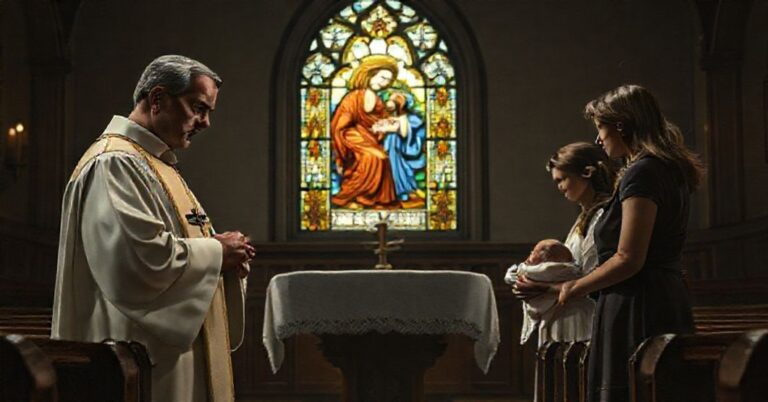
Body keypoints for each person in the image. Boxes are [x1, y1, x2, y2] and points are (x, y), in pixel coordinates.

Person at [52, 55, 255, 402]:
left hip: (165, 352)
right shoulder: (114, 164)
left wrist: (224, 253)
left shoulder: (154, 163)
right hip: (139, 354)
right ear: (158, 99)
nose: (205, 122)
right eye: (198, 107)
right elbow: (137, 261)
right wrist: (218, 252)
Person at [535, 85, 704, 402]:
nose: (599, 139)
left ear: (622, 125)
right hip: (663, 297)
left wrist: (576, 287)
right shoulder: (667, 168)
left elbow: (629, 257)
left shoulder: (643, 172)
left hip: (637, 305)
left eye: (601, 127)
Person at [514, 142, 617, 346]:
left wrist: (542, 287)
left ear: (587, 173)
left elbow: (591, 276)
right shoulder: (583, 218)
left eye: (563, 179)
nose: (560, 187)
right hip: (569, 312)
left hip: (586, 317)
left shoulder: (603, 216)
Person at [331, 55, 401, 208]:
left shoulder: (378, 99)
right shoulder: (353, 97)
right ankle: (349, 195)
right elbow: (341, 123)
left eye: (388, 81)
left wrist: (386, 124)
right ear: (371, 73)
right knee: (376, 157)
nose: (384, 83)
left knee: (382, 158)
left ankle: (375, 198)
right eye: (382, 77)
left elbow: (380, 119)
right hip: (351, 135)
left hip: (369, 137)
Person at [506, 239, 587, 345]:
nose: (530, 254)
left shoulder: (550, 269)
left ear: (545, 260)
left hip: (567, 308)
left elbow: (554, 270)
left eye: (533, 252)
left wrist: (524, 273)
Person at [380, 90, 426, 206]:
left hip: (396, 146)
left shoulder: (403, 118)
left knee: (398, 167)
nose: (388, 102)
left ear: (398, 103)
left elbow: (404, 133)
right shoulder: (387, 116)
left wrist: (390, 128)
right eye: (388, 99)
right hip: (387, 144)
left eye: (391, 100)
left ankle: (401, 191)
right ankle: (387, 192)